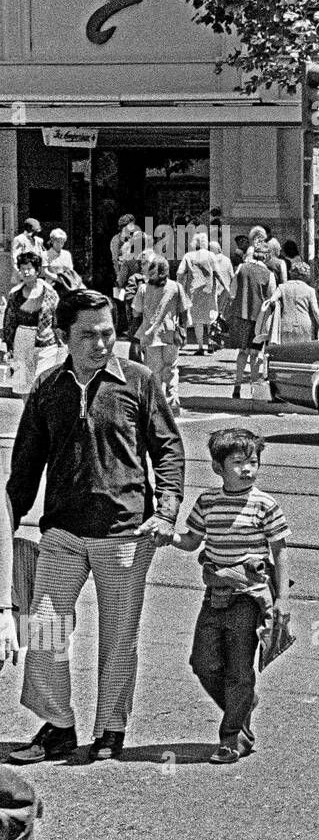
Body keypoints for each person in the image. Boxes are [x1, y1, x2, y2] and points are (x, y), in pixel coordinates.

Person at [5, 289, 183, 764]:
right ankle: (59, 725)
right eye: (89, 335)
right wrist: (7, 527)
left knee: (118, 638)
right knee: (44, 626)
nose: (102, 343)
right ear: (63, 336)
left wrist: (166, 511)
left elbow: (167, 448)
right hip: (62, 532)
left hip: (125, 533)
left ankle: (110, 729)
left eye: (108, 333)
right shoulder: (48, 387)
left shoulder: (138, 381)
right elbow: (25, 465)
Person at [172, 428, 290, 765]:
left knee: (239, 669)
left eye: (252, 462)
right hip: (215, 594)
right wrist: (167, 536)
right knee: (203, 662)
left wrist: (282, 598)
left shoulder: (265, 504)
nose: (247, 469)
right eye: (238, 463)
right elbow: (191, 540)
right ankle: (242, 705)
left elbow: (280, 551)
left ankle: (231, 738)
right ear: (217, 467)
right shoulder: (208, 502)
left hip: (248, 597)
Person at [3, 253, 62, 395]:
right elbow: (9, 323)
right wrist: (9, 348)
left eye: (29, 268)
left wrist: (62, 340)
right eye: (23, 268)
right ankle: (28, 416)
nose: (26, 272)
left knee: (42, 382)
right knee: (23, 385)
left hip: (46, 343)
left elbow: (58, 318)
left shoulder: (50, 293)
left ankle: (40, 415)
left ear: (37, 270)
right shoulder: (14, 294)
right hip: (22, 342)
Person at [137, 256, 183, 415]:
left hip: (151, 336)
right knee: (171, 369)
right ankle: (173, 400)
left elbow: (136, 310)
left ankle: (157, 405)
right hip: (170, 334)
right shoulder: (176, 287)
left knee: (153, 372)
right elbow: (184, 310)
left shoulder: (143, 288)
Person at [228, 242, 274, 401]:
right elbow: (271, 298)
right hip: (258, 319)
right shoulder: (269, 274)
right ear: (267, 256)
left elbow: (232, 291)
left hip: (241, 316)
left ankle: (237, 386)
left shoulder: (241, 268)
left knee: (242, 352)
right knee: (255, 353)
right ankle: (254, 389)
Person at [177, 232, 223, 356]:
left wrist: (179, 286)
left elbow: (180, 273)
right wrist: (226, 288)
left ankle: (200, 347)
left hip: (194, 291)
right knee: (210, 317)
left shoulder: (188, 256)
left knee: (198, 320)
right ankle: (210, 344)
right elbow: (218, 273)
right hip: (209, 291)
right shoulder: (211, 255)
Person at [272, 261, 319, 344]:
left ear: (291, 273)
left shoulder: (282, 287)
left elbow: (272, 300)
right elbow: (316, 312)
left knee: (288, 353)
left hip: (287, 323)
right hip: (304, 324)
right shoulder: (310, 290)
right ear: (306, 275)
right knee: (303, 353)